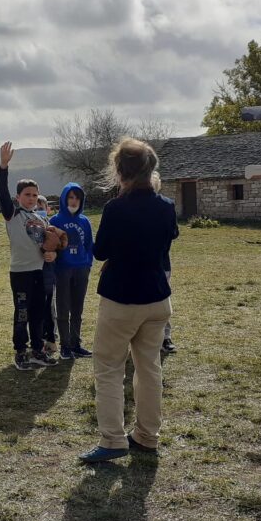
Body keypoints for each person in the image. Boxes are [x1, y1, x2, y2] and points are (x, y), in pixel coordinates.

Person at [79, 138, 178, 463]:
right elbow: (168, 240)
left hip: (122, 299)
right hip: (157, 299)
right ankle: (147, 436)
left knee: (108, 368)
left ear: (120, 171)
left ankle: (113, 440)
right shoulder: (166, 206)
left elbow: (101, 252)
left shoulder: (115, 209)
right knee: (149, 369)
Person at [0, 142, 58, 370]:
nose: (31, 198)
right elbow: (1, 194)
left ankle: (37, 351)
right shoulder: (12, 214)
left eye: (35, 194)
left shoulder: (42, 219)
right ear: (18, 196)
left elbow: (47, 245)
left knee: (39, 313)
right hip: (20, 272)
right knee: (22, 313)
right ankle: (21, 352)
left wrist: (52, 253)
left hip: (39, 270)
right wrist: (3, 167)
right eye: (27, 194)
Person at [50, 183, 94, 359]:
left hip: (81, 269)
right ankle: (65, 346)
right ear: (64, 198)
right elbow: (49, 246)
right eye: (70, 197)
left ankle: (76, 344)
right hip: (62, 270)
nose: (74, 201)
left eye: (77, 197)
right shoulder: (54, 221)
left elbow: (89, 244)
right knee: (63, 308)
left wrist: (88, 264)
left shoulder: (84, 221)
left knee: (77, 309)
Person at [36, 195, 59, 358]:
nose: (39, 211)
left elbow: (59, 246)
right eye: (36, 208)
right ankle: (37, 340)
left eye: (41, 208)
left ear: (48, 209)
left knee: (48, 309)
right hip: (32, 274)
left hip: (48, 274)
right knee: (35, 309)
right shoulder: (28, 227)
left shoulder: (52, 228)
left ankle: (50, 339)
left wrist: (55, 254)